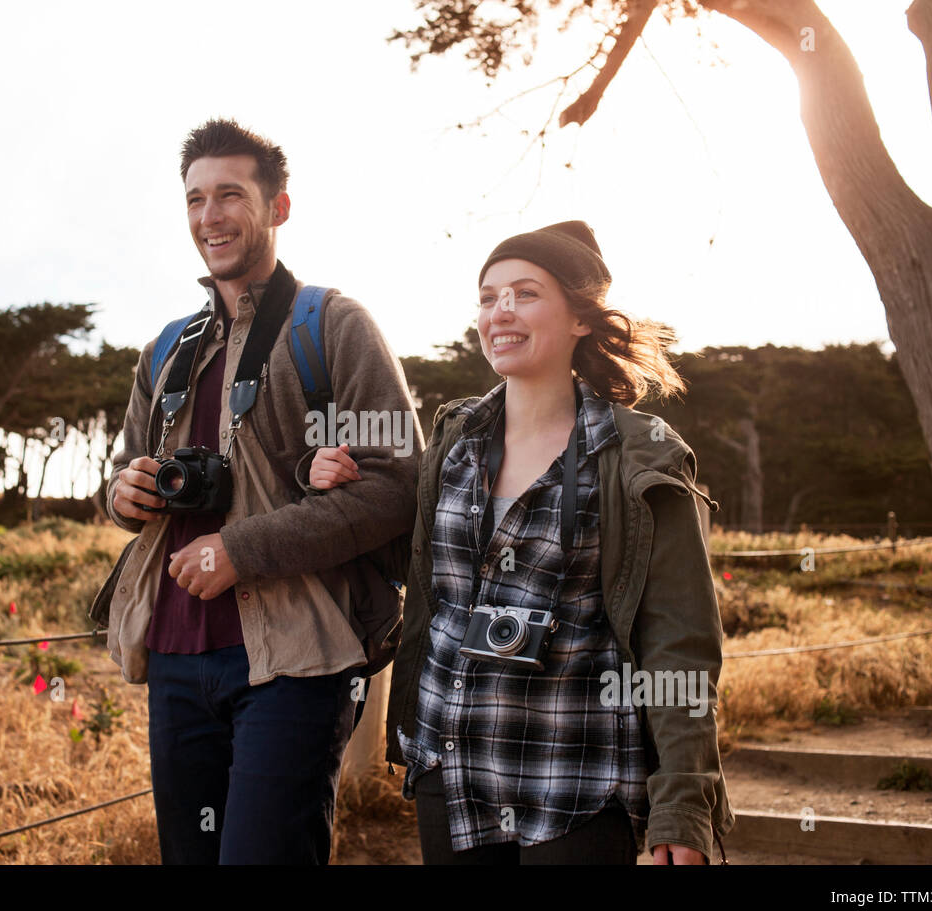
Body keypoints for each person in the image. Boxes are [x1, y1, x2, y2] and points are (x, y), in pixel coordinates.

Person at [310, 221, 734, 864]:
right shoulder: (453, 443)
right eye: (488, 296)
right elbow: (419, 573)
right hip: (448, 769)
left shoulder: (637, 458)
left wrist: (681, 804)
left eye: (525, 293)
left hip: (577, 777)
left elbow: (679, 643)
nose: (499, 311)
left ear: (581, 319)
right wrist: (334, 486)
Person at [102, 118, 422, 865]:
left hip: (295, 660)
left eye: (230, 195)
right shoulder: (165, 348)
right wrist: (124, 495)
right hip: (176, 654)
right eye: (194, 199)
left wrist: (242, 548)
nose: (209, 216)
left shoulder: (333, 326)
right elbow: (119, 474)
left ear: (278, 207)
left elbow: (397, 486)